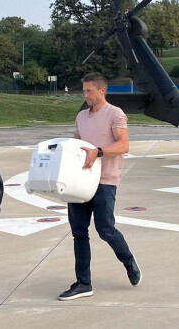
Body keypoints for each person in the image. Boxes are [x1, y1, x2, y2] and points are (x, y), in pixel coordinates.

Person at [58, 72, 141, 301]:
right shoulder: (81, 116)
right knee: (78, 233)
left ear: (101, 91)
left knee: (105, 230)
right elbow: (76, 145)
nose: (85, 95)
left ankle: (128, 261)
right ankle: (84, 283)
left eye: (89, 91)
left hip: (105, 182)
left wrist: (99, 152)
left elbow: (123, 145)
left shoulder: (115, 114)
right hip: (80, 183)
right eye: (84, 91)